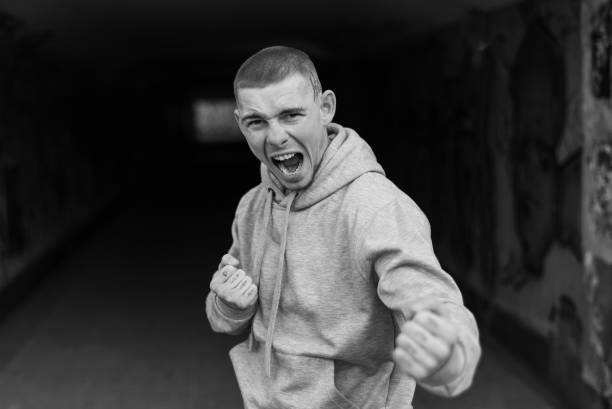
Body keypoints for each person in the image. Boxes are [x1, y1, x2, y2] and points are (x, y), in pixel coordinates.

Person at [205, 45, 481, 408]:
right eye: (258, 121)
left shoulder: (373, 204)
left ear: (325, 108)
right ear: (241, 123)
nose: (275, 137)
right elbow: (224, 320)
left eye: (290, 115)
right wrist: (229, 304)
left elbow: (434, 301)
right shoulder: (253, 206)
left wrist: (448, 356)